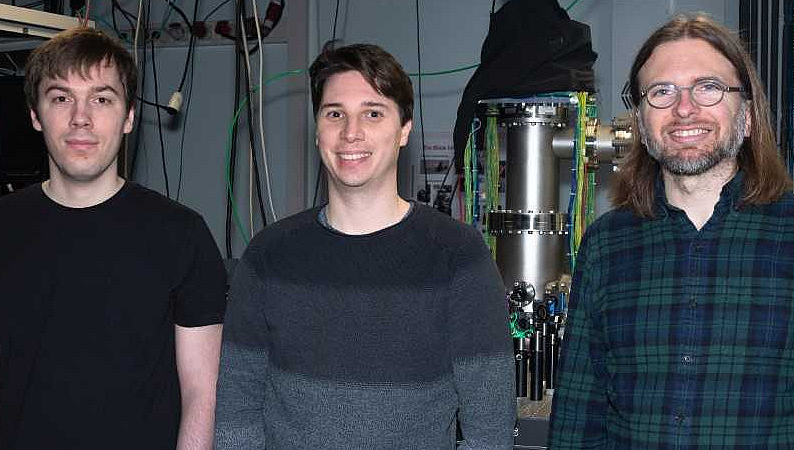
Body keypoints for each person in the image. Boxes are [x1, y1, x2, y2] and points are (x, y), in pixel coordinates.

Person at [215, 43, 515, 449]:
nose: (350, 132)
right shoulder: (268, 256)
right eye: (334, 113)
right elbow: (237, 413)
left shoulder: (459, 256)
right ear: (317, 129)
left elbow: (490, 429)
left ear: (404, 130)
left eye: (373, 113)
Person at [549, 14, 794, 448]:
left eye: (708, 87)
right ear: (642, 124)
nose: (684, 108)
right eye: (662, 91)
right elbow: (578, 411)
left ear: (747, 114)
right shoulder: (606, 243)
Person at [0, 28, 226, 449]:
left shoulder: (182, 235)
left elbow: (202, 396)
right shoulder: (0, 228)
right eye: (61, 98)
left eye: (101, 99)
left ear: (129, 116)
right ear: (35, 114)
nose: (80, 118)